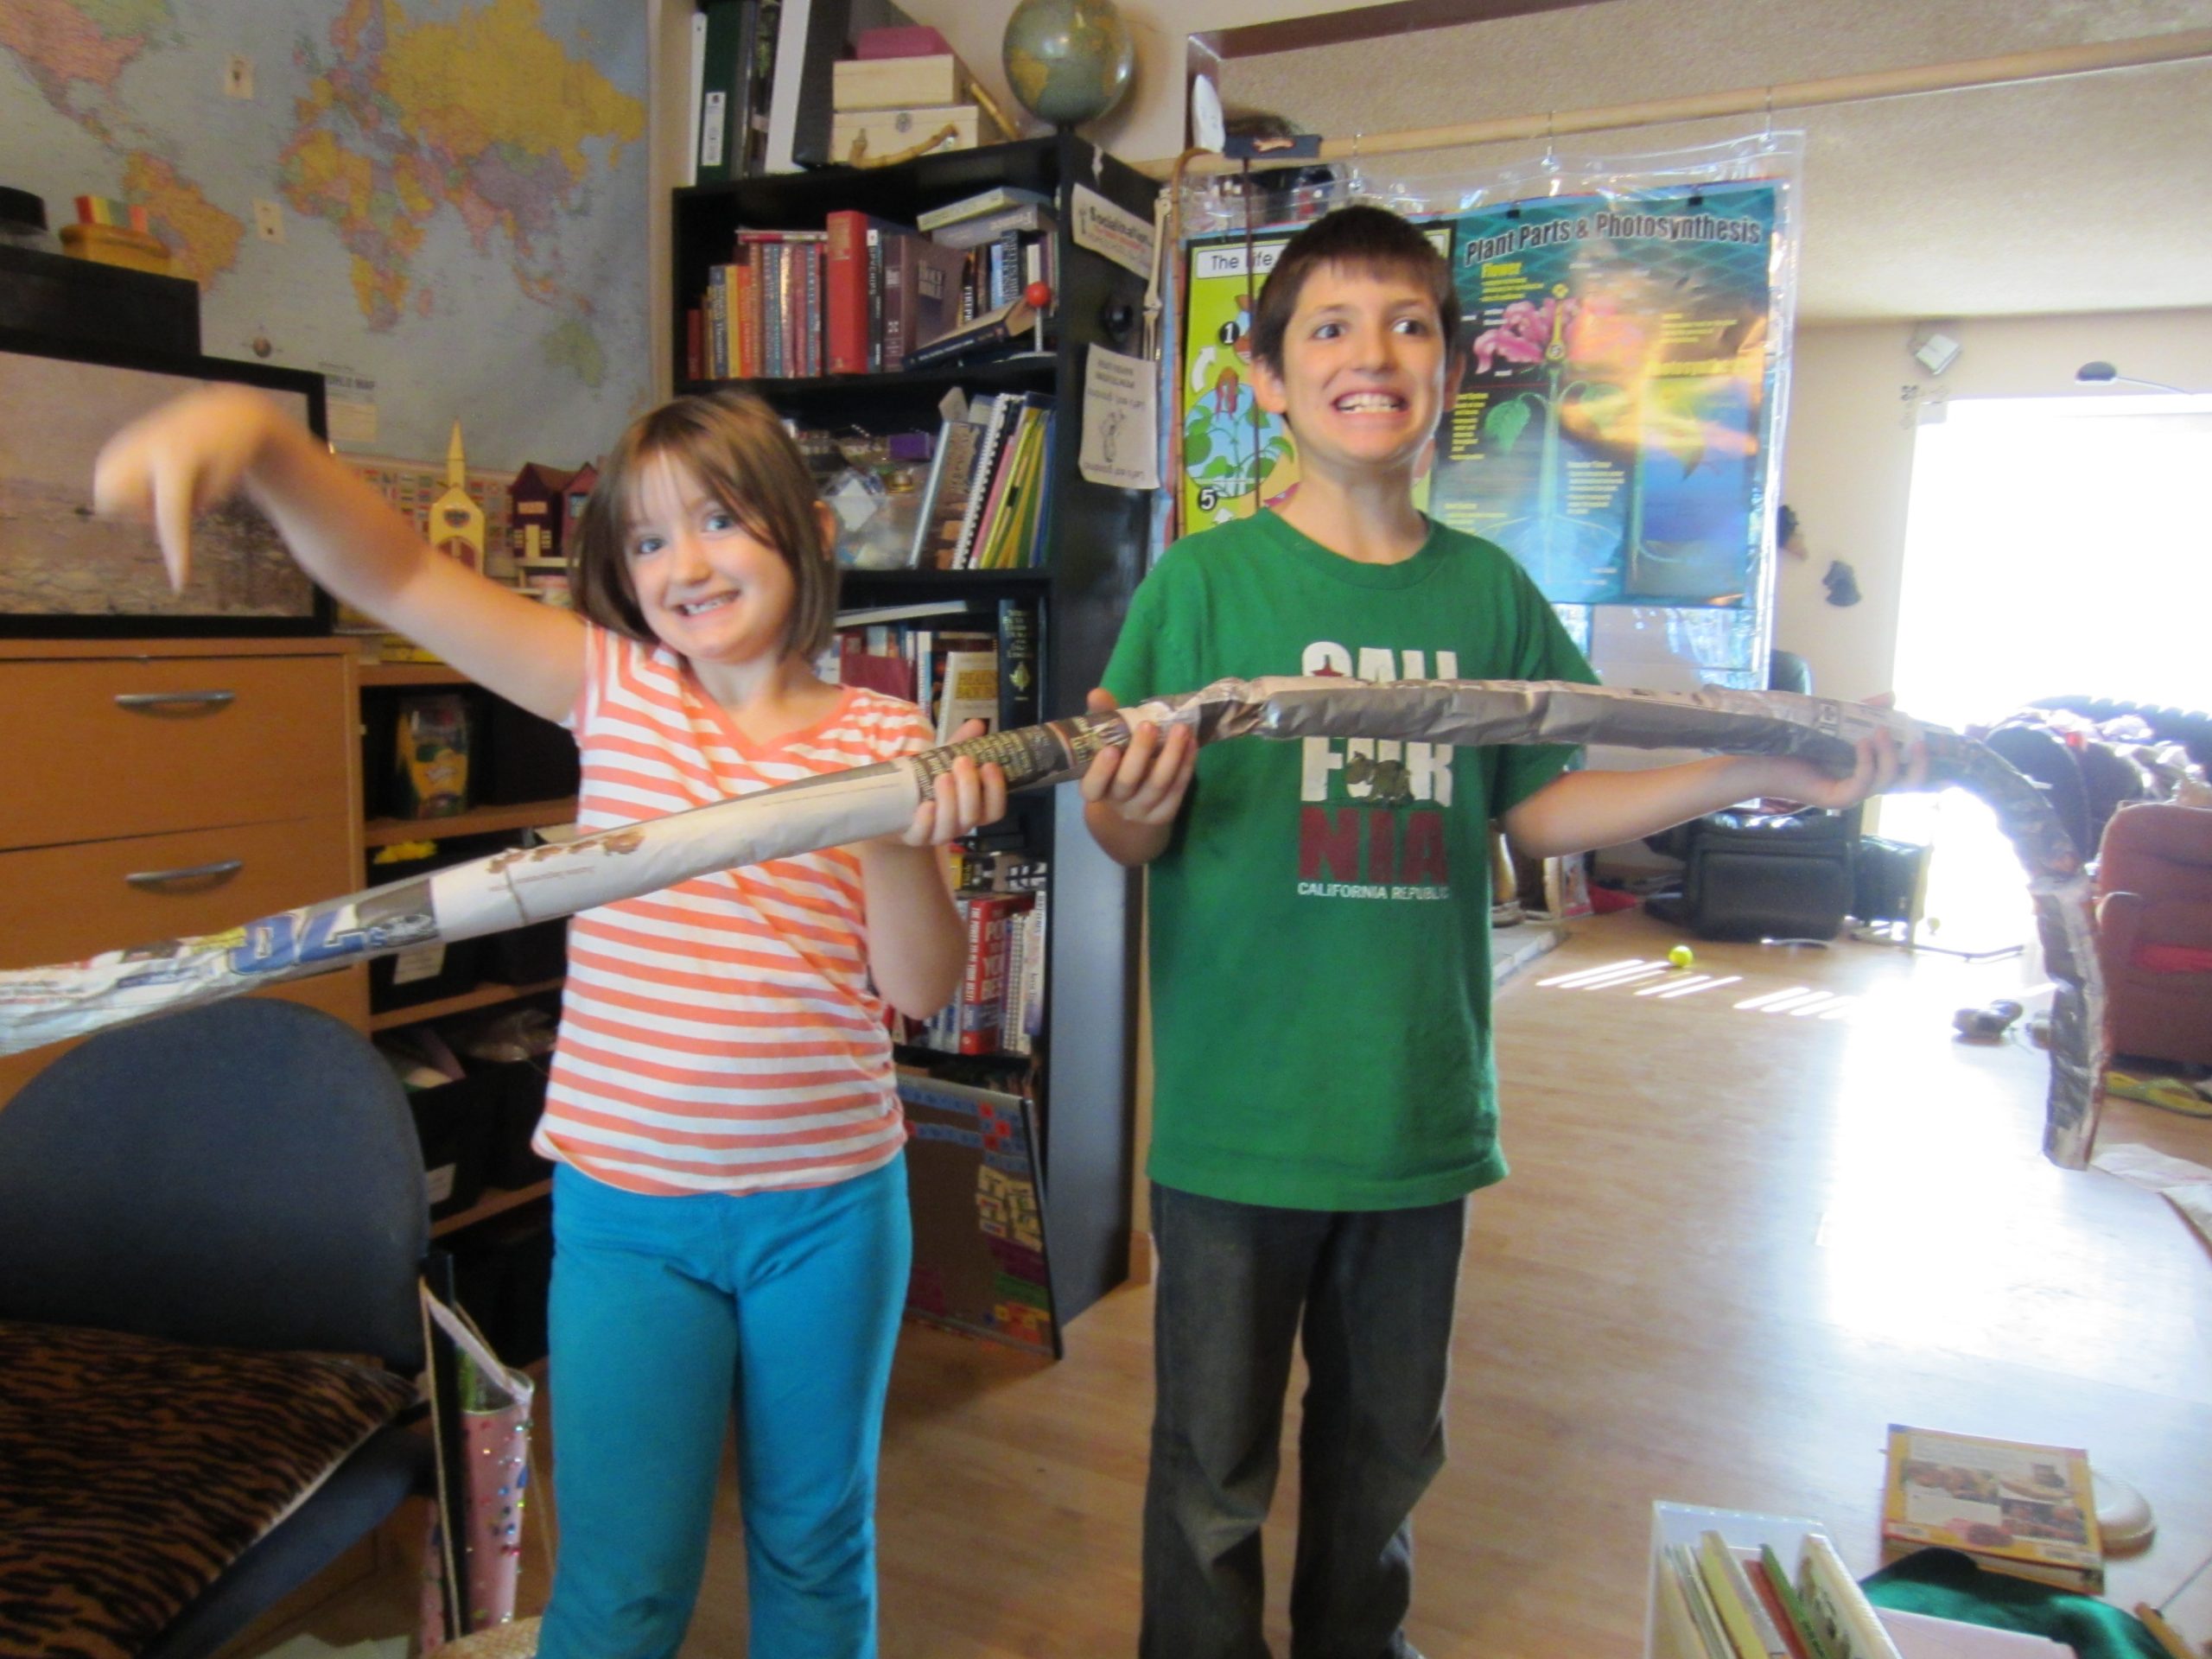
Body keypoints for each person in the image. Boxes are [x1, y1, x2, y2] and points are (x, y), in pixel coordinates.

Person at [1081, 204, 1922, 1659]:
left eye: (1408, 325)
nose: (1372, 353)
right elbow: (1125, 829)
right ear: (1268, 379)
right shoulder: (1202, 585)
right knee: (1211, 1471)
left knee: (1385, 1455)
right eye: (1330, 328)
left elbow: (1543, 806)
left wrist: (1765, 767)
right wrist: (1129, 809)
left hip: (1417, 1113)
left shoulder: (1488, 592)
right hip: (1237, 1121)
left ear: (1454, 372)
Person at [94, 386, 1007, 1659]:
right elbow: (399, 571)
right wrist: (266, 446)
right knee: (623, 1581)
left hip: (830, 1210)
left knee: (817, 1547)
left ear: (809, 530)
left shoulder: (883, 731)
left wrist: (899, 837)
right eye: (647, 540)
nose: (685, 564)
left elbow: (916, 987)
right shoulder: (617, 689)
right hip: (630, 1218)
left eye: (721, 520)